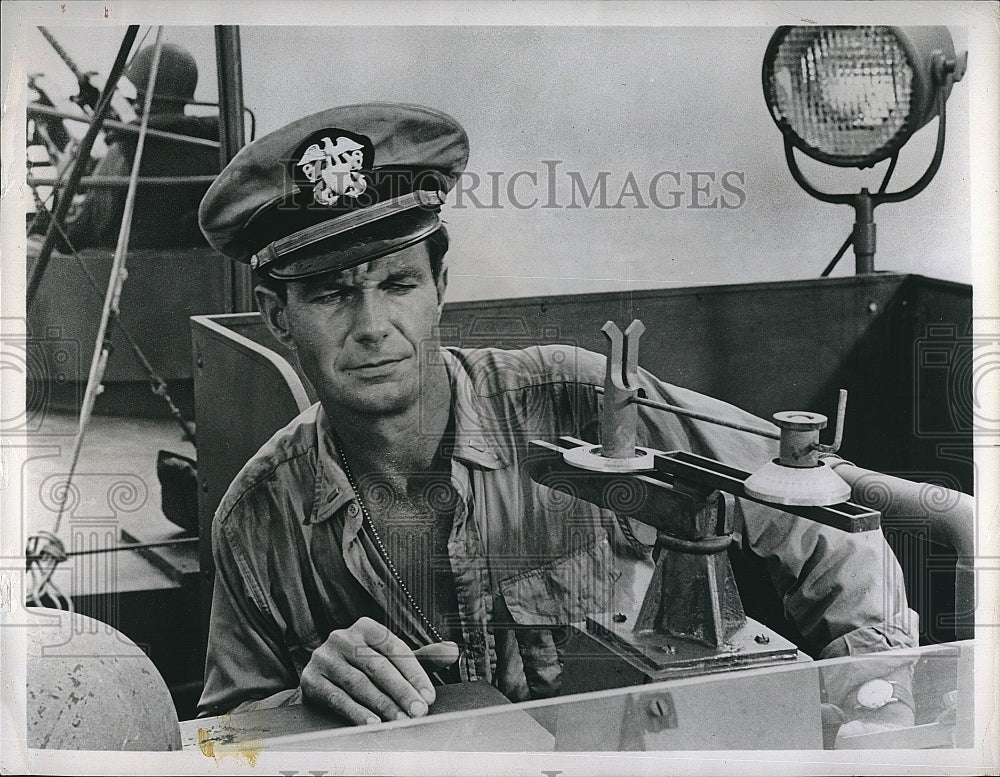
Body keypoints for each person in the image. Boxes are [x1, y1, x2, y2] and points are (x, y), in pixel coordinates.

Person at [195, 104, 919, 734]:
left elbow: (825, 519)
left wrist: (874, 707)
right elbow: (231, 732)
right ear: (276, 318)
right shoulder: (257, 521)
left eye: (398, 282)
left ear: (440, 287)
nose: (373, 325)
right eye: (329, 295)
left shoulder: (579, 400)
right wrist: (306, 699)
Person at [59, 43, 220, 250]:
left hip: (123, 267)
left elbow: (84, 231)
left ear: (141, 94)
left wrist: (66, 176)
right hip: (196, 266)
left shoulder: (126, 151)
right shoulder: (215, 146)